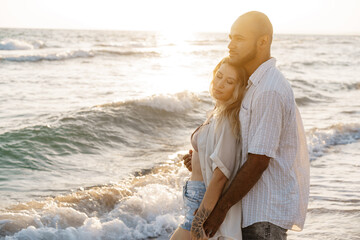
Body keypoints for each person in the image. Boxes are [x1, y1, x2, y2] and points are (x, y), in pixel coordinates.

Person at [184, 11, 310, 240]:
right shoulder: (253, 86)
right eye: (230, 37)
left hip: (264, 215)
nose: (230, 45)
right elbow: (238, 150)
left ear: (263, 42)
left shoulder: (269, 89)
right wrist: (201, 162)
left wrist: (219, 210)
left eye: (239, 39)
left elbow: (258, 160)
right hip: (252, 212)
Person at [171, 56, 247, 240]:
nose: (220, 84)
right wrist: (197, 161)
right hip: (196, 197)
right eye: (219, 76)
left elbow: (221, 176)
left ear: (237, 89)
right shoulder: (217, 112)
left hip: (202, 201)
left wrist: (199, 221)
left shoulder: (228, 120)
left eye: (229, 81)